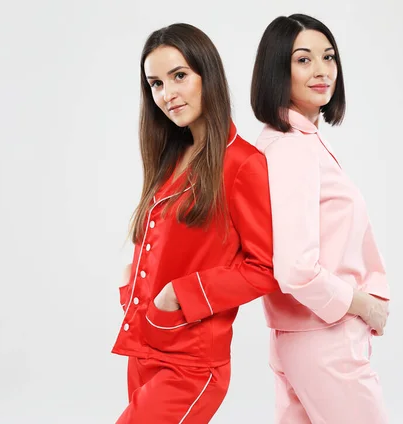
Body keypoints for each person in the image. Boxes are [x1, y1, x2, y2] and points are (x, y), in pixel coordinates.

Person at [112, 23, 278, 423]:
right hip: (146, 344)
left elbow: (265, 269)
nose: (167, 94)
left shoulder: (243, 164)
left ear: (209, 75)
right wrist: (130, 280)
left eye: (179, 76)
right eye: (155, 84)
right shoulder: (171, 157)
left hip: (191, 361)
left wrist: (178, 294)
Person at [251, 14, 391, 424]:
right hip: (324, 340)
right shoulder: (293, 149)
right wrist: (364, 305)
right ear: (277, 68)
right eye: (303, 59)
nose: (321, 70)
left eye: (328, 57)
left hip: (302, 339)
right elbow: (295, 268)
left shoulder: (290, 142)